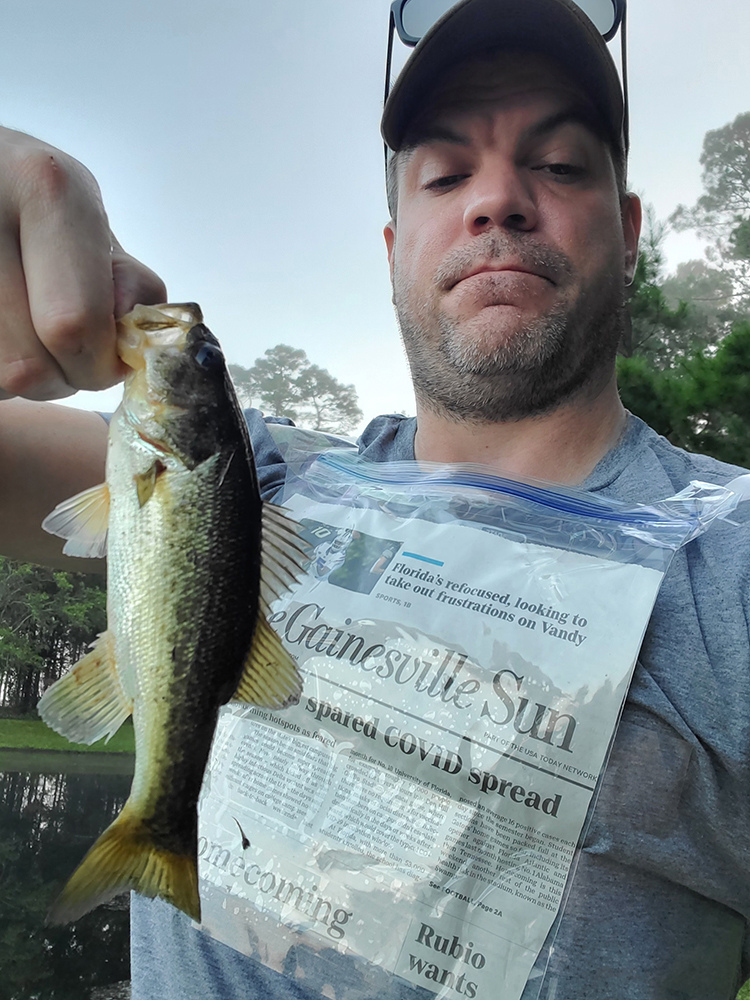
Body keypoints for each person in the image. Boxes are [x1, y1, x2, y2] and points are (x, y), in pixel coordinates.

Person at [0, 0, 748, 997]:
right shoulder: (254, 477)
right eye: (447, 175)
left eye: (561, 165)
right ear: (394, 246)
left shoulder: (732, 559)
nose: (499, 200)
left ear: (628, 230)